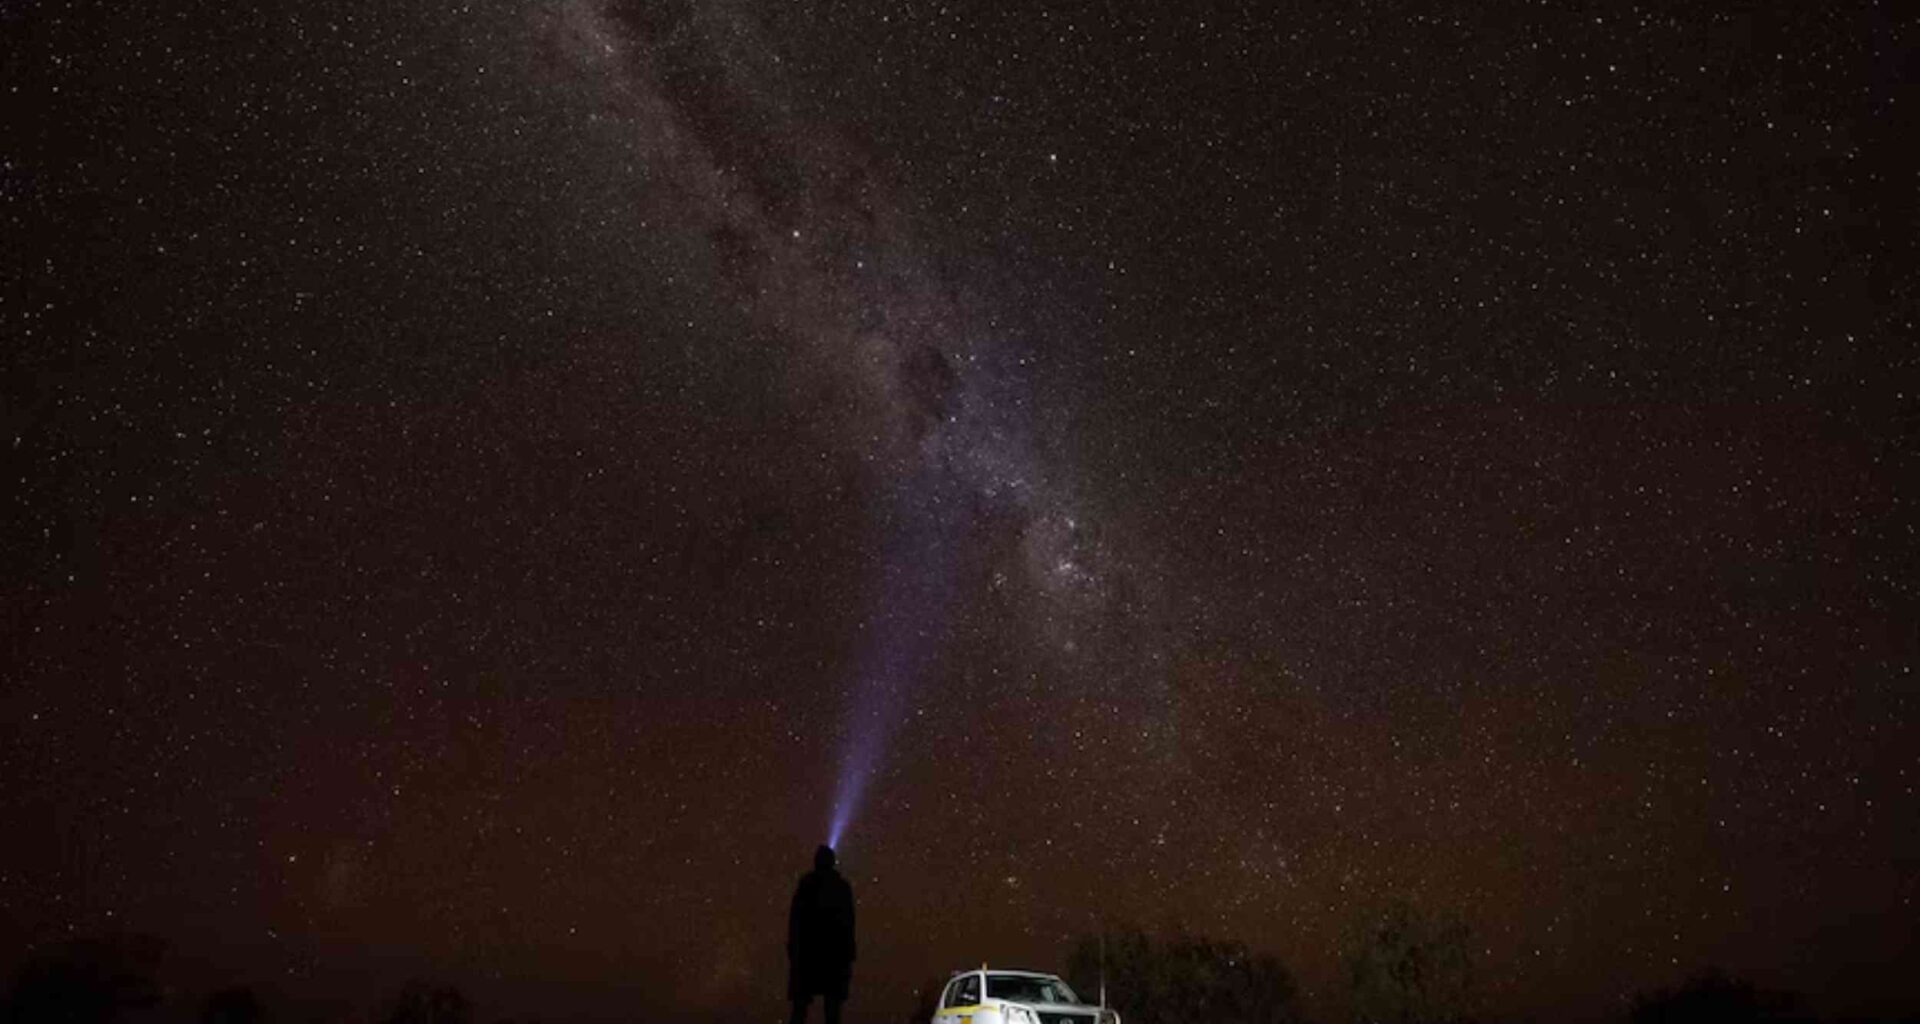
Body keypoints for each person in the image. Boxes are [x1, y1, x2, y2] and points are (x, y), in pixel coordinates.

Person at [787, 844, 856, 1024]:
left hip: (808, 954)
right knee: (832, 1010)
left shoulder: (806, 885)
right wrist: (848, 953)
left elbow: (796, 920)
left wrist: (794, 950)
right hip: (833, 956)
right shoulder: (841, 887)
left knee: (800, 1008)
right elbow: (848, 922)